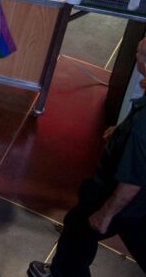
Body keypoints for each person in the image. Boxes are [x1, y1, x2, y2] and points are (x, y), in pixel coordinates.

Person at [27, 36, 146, 277]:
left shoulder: (142, 128)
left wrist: (105, 214)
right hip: (140, 205)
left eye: (141, 54)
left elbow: (131, 181)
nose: (135, 58)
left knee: (78, 228)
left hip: (111, 196)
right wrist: (123, 129)